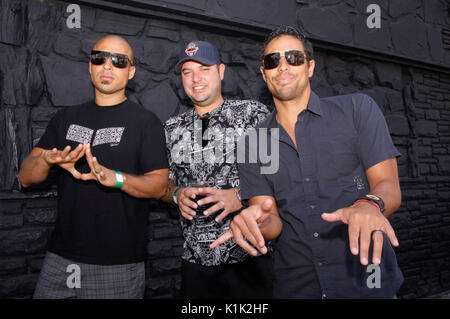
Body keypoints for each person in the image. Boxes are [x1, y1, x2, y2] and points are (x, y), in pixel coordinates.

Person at [211, 26, 404, 298]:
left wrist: (369, 204)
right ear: (264, 72)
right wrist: (255, 223)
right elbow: (271, 220)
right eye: (273, 60)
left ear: (310, 66)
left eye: (294, 57)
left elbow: (388, 186)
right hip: (297, 287)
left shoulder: (357, 110)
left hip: (366, 283)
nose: (283, 66)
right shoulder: (253, 142)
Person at [18, 35, 169, 299]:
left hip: (117, 263)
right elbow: (25, 177)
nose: (108, 66)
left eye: (119, 61)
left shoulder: (146, 122)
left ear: (131, 71)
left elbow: (159, 186)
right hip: (60, 258)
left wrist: (117, 179)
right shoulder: (65, 118)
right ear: (90, 66)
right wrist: (45, 160)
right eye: (100, 58)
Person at [162, 40, 273, 298]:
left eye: (204, 69)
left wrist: (239, 195)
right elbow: (163, 185)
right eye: (187, 72)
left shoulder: (253, 114)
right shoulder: (171, 128)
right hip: (196, 260)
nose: (195, 78)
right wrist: (177, 193)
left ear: (221, 71)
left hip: (249, 254)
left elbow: (277, 172)